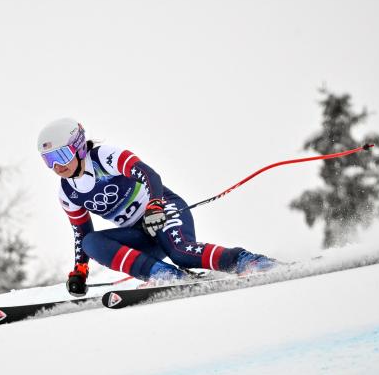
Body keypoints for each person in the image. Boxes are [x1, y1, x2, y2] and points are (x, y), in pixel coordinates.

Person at [37, 118, 276, 297]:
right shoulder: (68, 193)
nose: (57, 165)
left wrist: (154, 205)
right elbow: (82, 234)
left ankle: (245, 260)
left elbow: (149, 174)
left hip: (163, 210)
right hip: (139, 235)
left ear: (78, 147)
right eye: (49, 159)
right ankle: (166, 275)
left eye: (61, 155)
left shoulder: (104, 157)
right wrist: (80, 270)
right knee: (91, 243)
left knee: (181, 252)